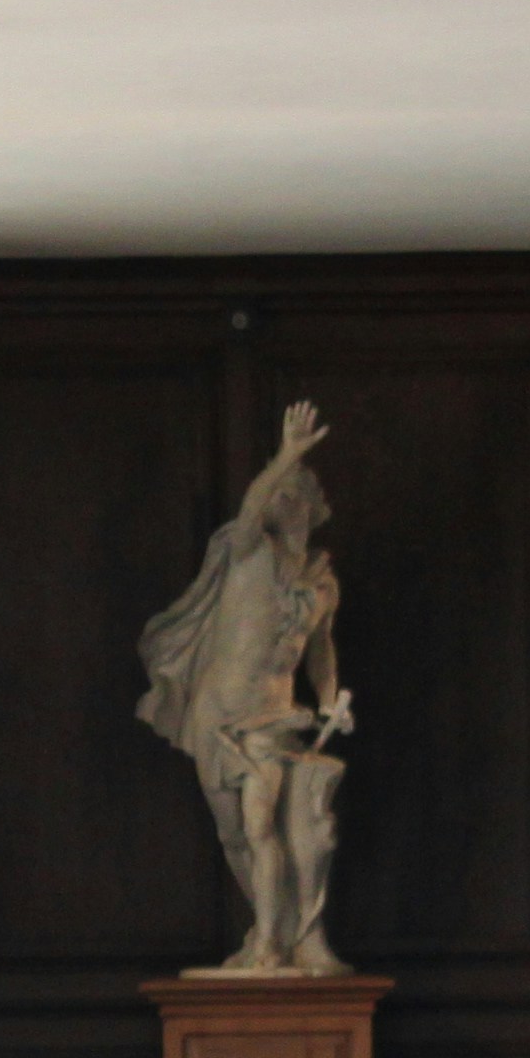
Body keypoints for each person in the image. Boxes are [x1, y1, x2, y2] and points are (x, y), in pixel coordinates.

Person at [138, 401, 355, 975]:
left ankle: (274, 948)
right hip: (220, 710)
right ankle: (270, 929)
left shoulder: (322, 581)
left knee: (268, 826)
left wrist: (331, 697)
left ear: (311, 505)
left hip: (273, 717)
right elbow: (250, 505)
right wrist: (288, 452)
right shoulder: (250, 550)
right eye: (275, 493)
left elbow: (322, 652)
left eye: (290, 493)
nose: (277, 503)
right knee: (235, 832)